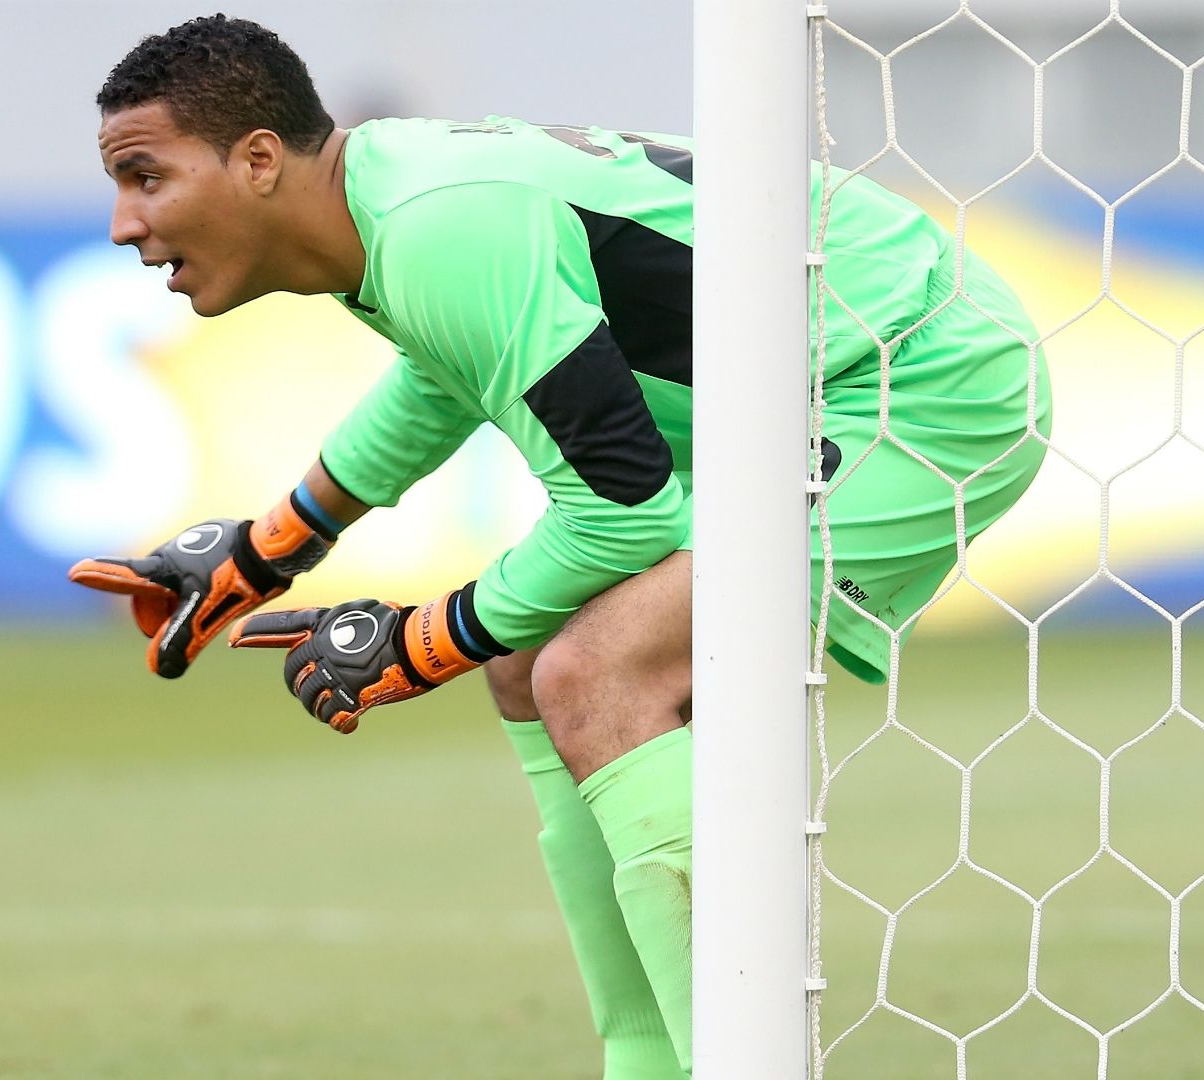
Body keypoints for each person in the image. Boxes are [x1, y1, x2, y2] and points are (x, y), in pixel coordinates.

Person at [68, 14, 1051, 1078]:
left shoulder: (441, 224)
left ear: (258, 159)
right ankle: (649, 1061)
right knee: (530, 664)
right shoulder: (390, 193)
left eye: (145, 176)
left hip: (919, 385)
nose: (125, 222)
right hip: (806, 388)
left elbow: (625, 516)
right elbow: (441, 377)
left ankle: (734, 1063)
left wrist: (421, 641)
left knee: (601, 669)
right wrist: (271, 549)